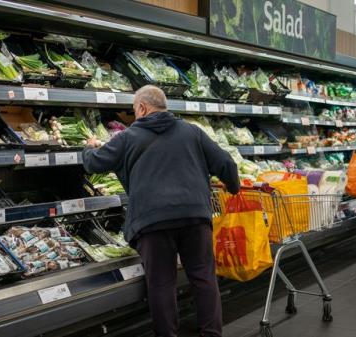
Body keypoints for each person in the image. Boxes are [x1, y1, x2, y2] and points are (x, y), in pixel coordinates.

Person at [82, 85, 239, 337]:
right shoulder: (192, 132)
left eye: (134, 110)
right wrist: (233, 186)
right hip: (194, 217)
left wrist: (89, 146)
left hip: (152, 223)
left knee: (161, 285)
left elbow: (93, 163)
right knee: (203, 278)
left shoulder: (127, 137)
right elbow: (225, 163)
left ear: (142, 107)